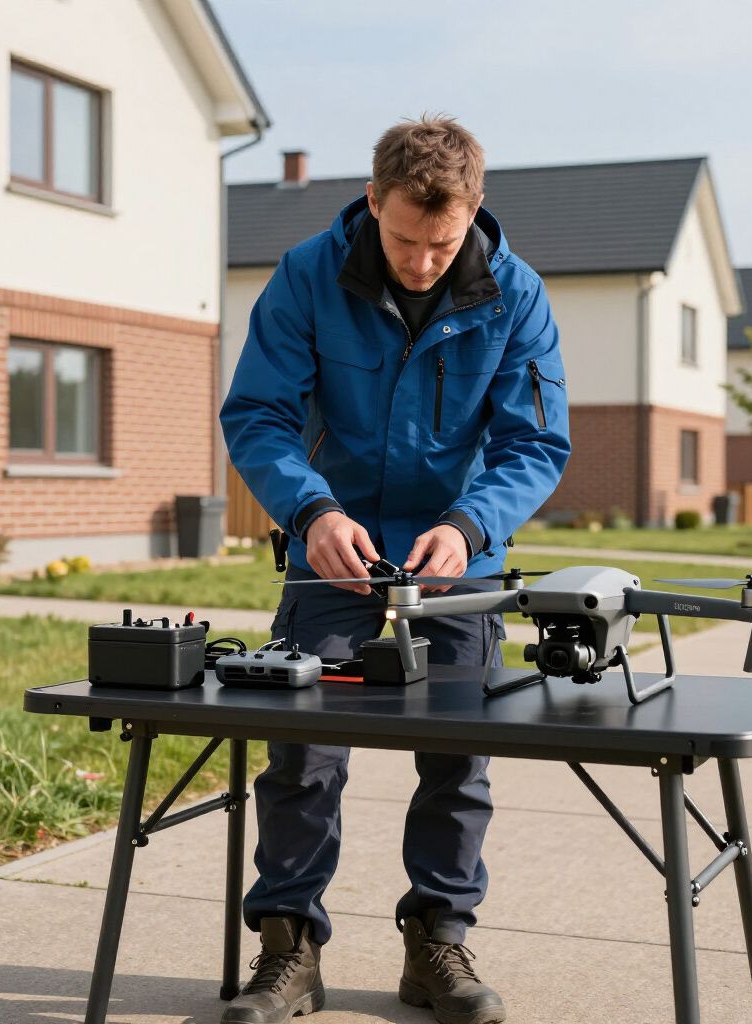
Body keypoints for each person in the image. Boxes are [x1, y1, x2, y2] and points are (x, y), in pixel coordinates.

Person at [219, 115, 570, 1024]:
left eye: (441, 243)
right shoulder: (304, 276)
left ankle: (437, 947)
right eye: (406, 239)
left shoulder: (518, 295)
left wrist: (470, 523)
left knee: (459, 760)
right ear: (372, 202)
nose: (421, 261)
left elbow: (535, 443)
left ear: (475, 213)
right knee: (302, 751)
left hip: (458, 557)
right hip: (329, 549)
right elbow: (257, 413)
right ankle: (289, 950)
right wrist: (311, 509)